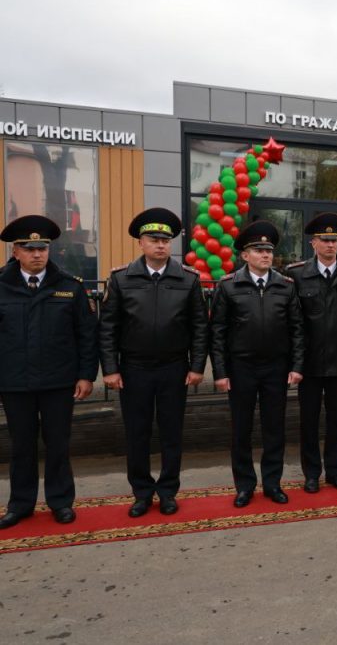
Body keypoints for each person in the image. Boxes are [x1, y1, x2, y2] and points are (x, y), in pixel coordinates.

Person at [98, 208, 208, 518]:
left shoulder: (188, 279)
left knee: (172, 432)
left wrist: (197, 366)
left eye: (166, 240)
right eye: (153, 239)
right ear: (140, 243)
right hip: (134, 369)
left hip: (174, 368)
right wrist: (110, 368)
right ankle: (142, 493)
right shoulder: (121, 279)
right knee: (137, 433)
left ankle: (168, 491)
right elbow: (108, 328)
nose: (160, 245)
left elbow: (200, 327)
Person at [0, 215, 97, 529]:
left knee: (58, 444)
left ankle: (60, 502)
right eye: (29, 248)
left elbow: (86, 334)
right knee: (21, 445)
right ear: (15, 251)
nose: (37, 254)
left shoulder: (69, 287)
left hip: (58, 382)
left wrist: (86, 375)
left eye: (42, 247)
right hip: (14, 381)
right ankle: (20, 504)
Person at [210, 221, 304, 507]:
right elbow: (218, 333)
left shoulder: (285, 286)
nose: (265, 255)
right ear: (245, 255)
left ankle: (273, 483)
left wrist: (297, 366)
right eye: (258, 249)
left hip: (276, 368)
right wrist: (220, 372)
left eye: (269, 250)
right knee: (241, 429)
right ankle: (245, 486)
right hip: (241, 369)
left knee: (274, 428)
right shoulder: (228, 286)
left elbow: (297, 329)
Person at [286, 213, 337, 494]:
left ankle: (334, 471)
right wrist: (294, 362)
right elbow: (293, 324)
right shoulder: (296, 274)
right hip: (308, 363)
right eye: (325, 240)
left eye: (335, 240)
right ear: (313, 243)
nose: (331, 245)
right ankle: (311, 473)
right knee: (308, 422)